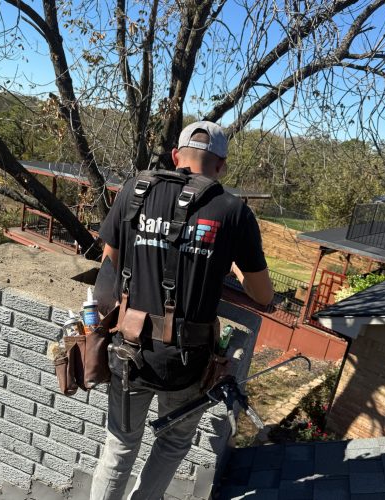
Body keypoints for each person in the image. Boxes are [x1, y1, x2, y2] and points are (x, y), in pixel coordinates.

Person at [90, 121, 273, 500]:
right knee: (172, 444)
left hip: (129, 351)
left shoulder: (135, 190)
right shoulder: (233, 211)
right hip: (187, 362)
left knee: (119, 447)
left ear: (176, 156)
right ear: (221, 165)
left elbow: (109, 264)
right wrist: (232, 264)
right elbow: (262, 295)